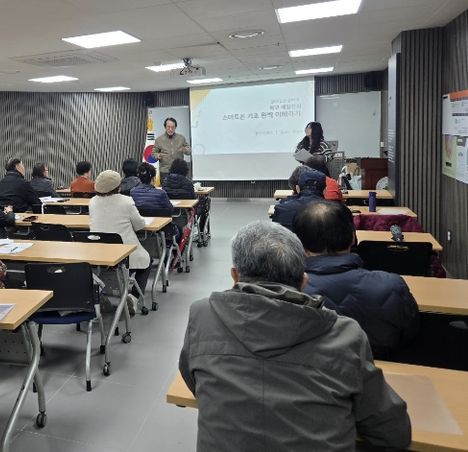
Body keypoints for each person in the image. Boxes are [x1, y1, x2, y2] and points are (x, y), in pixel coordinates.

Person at [179, 221, 411, 452]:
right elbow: (393, 432)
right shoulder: (346, 335)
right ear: (304, 281)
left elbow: (194, 382)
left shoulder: (202, 315)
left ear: (235, 276)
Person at [292, 201, 420, 358]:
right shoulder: (393, 286)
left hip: (311, 370)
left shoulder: (289, 292)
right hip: (377, 369)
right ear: (353, 237)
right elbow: (411, 333)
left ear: (299, 244)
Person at [89, 170, 151, 316]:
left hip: (99, 252)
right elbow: (139, 225)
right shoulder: (126, 201)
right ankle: (133, 297)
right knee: (146, 262)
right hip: (125, 252)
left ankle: (102, 297)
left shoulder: (92, 202)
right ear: (118, 186)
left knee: (106, 271)